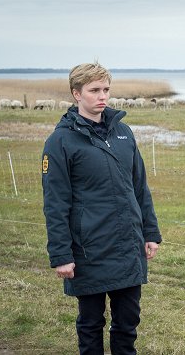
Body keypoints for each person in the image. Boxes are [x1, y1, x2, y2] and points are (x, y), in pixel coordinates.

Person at [42, 62, 161, 354]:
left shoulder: (123, 133)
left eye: (106, 89)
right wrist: (61, 255)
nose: (102, 96)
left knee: (128, 323)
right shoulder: (60, 142)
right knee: (91, 323)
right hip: (88, 250)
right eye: (94, 90)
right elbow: (55, 203)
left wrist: (150, 233)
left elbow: (139, 187)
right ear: (76, 94)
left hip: (127, 246)